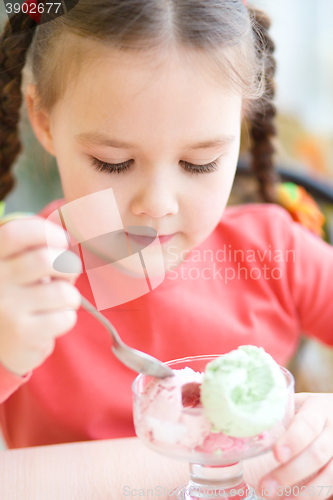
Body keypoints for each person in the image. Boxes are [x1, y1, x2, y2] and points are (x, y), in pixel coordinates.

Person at [0, 0, 332, 497]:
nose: (156, 205)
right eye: (113, 162)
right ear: (44, 121)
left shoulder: (274, 254)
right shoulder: (21, 283)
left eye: (199, 164)